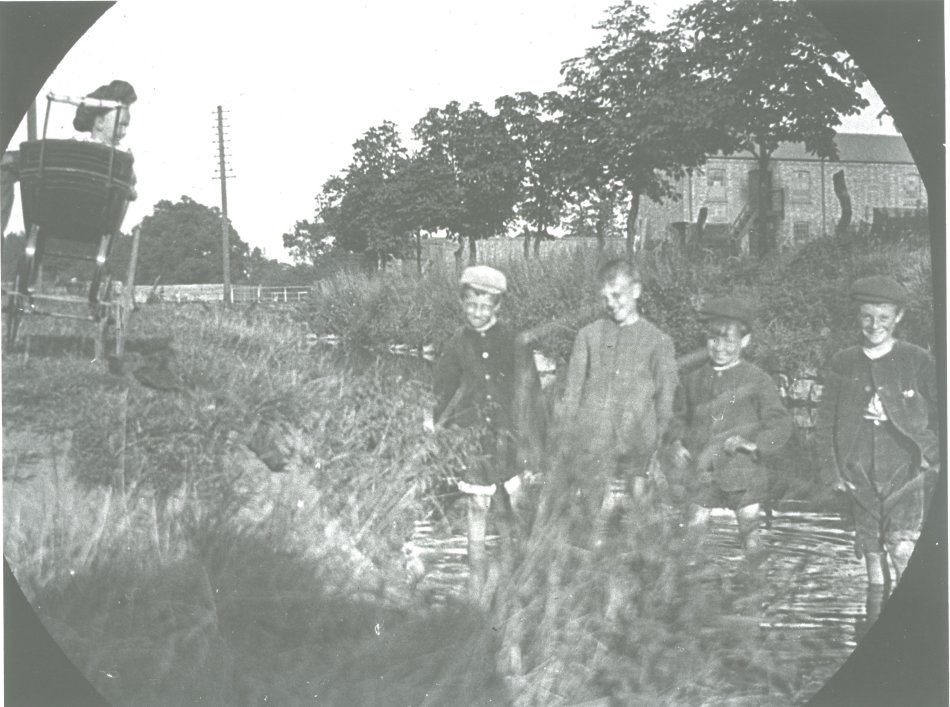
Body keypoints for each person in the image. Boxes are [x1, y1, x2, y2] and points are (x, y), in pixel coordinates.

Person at [815, 275, 939, 588]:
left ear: (899, 317)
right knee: (872, 552)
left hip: (905, 468)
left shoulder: (916, 359)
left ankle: (911, 608)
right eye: (867, 317)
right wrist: (832, 473)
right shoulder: (843, 362)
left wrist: (931, 453)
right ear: (857, 317)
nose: (875, 325)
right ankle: (877, 609)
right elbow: (825, 423)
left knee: (902, 546)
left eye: (884, 317)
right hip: (857, 472)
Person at [432, 265, 545, 603]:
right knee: (476, 506)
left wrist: (535, 449)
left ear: (498, 306)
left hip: (510, 439)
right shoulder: (455, 345)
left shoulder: (514, 343)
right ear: (462, 303)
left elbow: (531, 396)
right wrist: (445, 439)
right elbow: (442, 395)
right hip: (472, 441)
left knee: (514, 504)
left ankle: (520, 581)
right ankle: (476, 582)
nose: (478, 312)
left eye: (485, 306)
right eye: (471, 305)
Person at [668, 296, 792, 560]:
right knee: (691, 534)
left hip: (743, 472)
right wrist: (676, 442)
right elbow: (679, 417)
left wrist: (755, 444)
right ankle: (689, 582)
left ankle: (756, 582)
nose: (720, 348)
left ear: (745, 341)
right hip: (702, 471)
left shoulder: (757, 379)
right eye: (713, 340)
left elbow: (780, 423)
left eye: (729, 341)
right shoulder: (692, 380)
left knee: (750, 536)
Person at [558, 258, 679, 513]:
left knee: (638, 512)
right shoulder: (587, 336)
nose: (611, 304)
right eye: (604, 298)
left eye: (617, 295)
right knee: (593, 513)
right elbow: (573, 394)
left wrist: (659, 445)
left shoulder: (658, 340)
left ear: (636, 291)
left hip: (639, 444)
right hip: (594, 443)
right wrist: (568, 440)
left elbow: (666, 400)